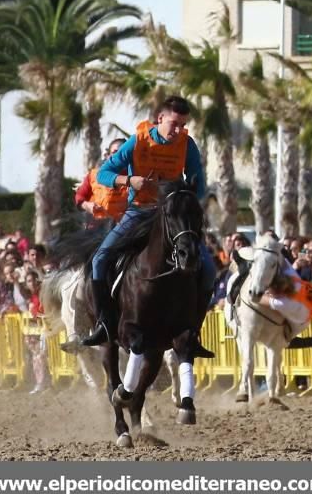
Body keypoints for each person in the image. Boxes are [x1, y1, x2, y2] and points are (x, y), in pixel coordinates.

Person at [84, 96, 214, 351]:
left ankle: (192, 334)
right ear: (160, 118)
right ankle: (105, 323)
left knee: (208, 269)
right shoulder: (137, 141)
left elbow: (199, 184)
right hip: (139, 211)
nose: (178, 131)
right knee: (100, 259)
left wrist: (186, 198)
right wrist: (130, 181)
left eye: (183, 125)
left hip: (172, 216)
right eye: (174, 124)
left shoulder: (187, 145)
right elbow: (103, 174)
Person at [74, 138, 128, 222]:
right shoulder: (94, 175)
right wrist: (87, 205)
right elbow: (80, 196)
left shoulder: (135, 177)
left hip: (127, 227)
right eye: (115, 152)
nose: (119, 156)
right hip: (97, 229)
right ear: (108, 156)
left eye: (123, 152)